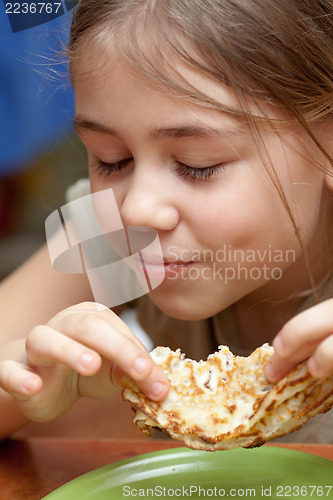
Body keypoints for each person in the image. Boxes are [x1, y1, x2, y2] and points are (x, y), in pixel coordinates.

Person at [0, 0, 333, 442]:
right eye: (111, 160)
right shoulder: (112, 233)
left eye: (197, 165)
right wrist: (21, 390)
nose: (137, 209)